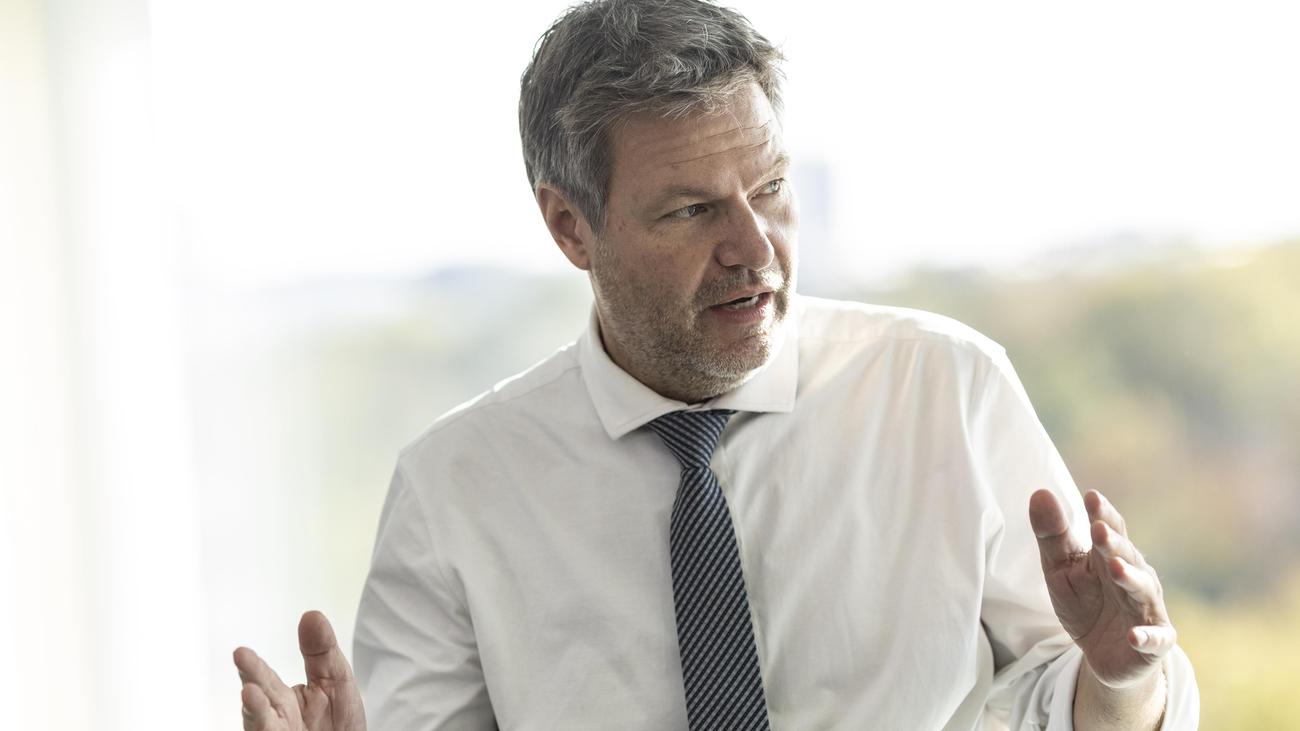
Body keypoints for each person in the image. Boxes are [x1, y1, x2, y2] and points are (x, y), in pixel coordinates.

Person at [232, 0, 1199, 728]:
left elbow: (1070, 696)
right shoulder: (455, 490)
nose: (755, 247)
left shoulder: (945, 388)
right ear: (571, 226)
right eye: (691, 210)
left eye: (769, 187)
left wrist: (1121, 677)